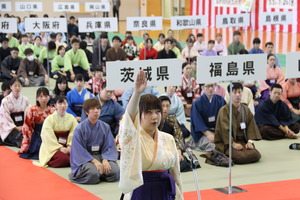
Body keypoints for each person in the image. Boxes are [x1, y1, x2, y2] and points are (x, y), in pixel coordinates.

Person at [118, 70, 183, 200]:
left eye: (157, 112)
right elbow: (128, 122)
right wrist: (137, 93)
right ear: (139, 115)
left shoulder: (168, 138)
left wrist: (179, 193)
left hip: (165, 189)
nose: (154, 116)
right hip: (141, 189)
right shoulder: (133, 138)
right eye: (148, 112)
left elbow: (175, 172)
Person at [69, 99, 120, 184]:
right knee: (92, 173)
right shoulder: (79, 128)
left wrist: (105, 160)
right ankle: (99, 173)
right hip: (86, 159)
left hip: (101, 155)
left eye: (98, 108)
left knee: (115, 171)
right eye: (93, 109)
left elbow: (109, 146)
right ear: (86, 112)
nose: (96, 111)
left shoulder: (105, 127)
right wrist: (95, 161)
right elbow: (79, 150)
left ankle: (101, 173)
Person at [215, 82, 262, 164]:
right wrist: (233, 144)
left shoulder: (245, 109)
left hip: (243, 141)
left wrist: (249, 142)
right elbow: (224, 130)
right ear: (229, 94)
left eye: (239, 92)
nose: (237, 95)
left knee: (256, 155)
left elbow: (251, 126)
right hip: (228, 143)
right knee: (241, 157)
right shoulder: (224, 110)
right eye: (234, 92)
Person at [35, 95, 77, 167]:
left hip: (67, 146)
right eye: (60, 104)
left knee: (77, 157)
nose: (63, 106)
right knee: (64, 158)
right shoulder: (49, 119)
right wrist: (60, 148)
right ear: (55, 105)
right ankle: (49, 161)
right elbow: (47, 136)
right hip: (53, 147)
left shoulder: (72, 118)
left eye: (65, 103)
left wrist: (69, 146)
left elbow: (75, 133)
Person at [19, 87, 55, 159]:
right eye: (41, 96)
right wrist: (26, 143)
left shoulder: (53, 110)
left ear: (49, 97)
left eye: (46, 96)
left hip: (49, 135)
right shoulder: (32, 110)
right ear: (36, 98)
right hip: (36, 135)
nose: (44, 99)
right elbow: (27, 127)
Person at [189, 83, 226, 151]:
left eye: (212, 86)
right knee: (214, 147)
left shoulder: (220, 100)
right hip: (202, 133)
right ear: (203, 88)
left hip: (216, 130)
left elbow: (224, 118)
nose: (210, 88)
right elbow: (197, 122)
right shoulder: (197, 103)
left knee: (226, 143)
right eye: (208, 86)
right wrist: (208, 134)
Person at [0, 78, 31, 147]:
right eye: (15, 86)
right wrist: (16, 127)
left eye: (19, 86)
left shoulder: (25, 100)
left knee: (31, 133)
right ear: (11, 87)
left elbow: (29, 114)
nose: (17, 88)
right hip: (11, 127)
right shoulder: (5, 100)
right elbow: (4, 117)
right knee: (17, 135)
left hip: (23, 125)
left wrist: (25, 126)